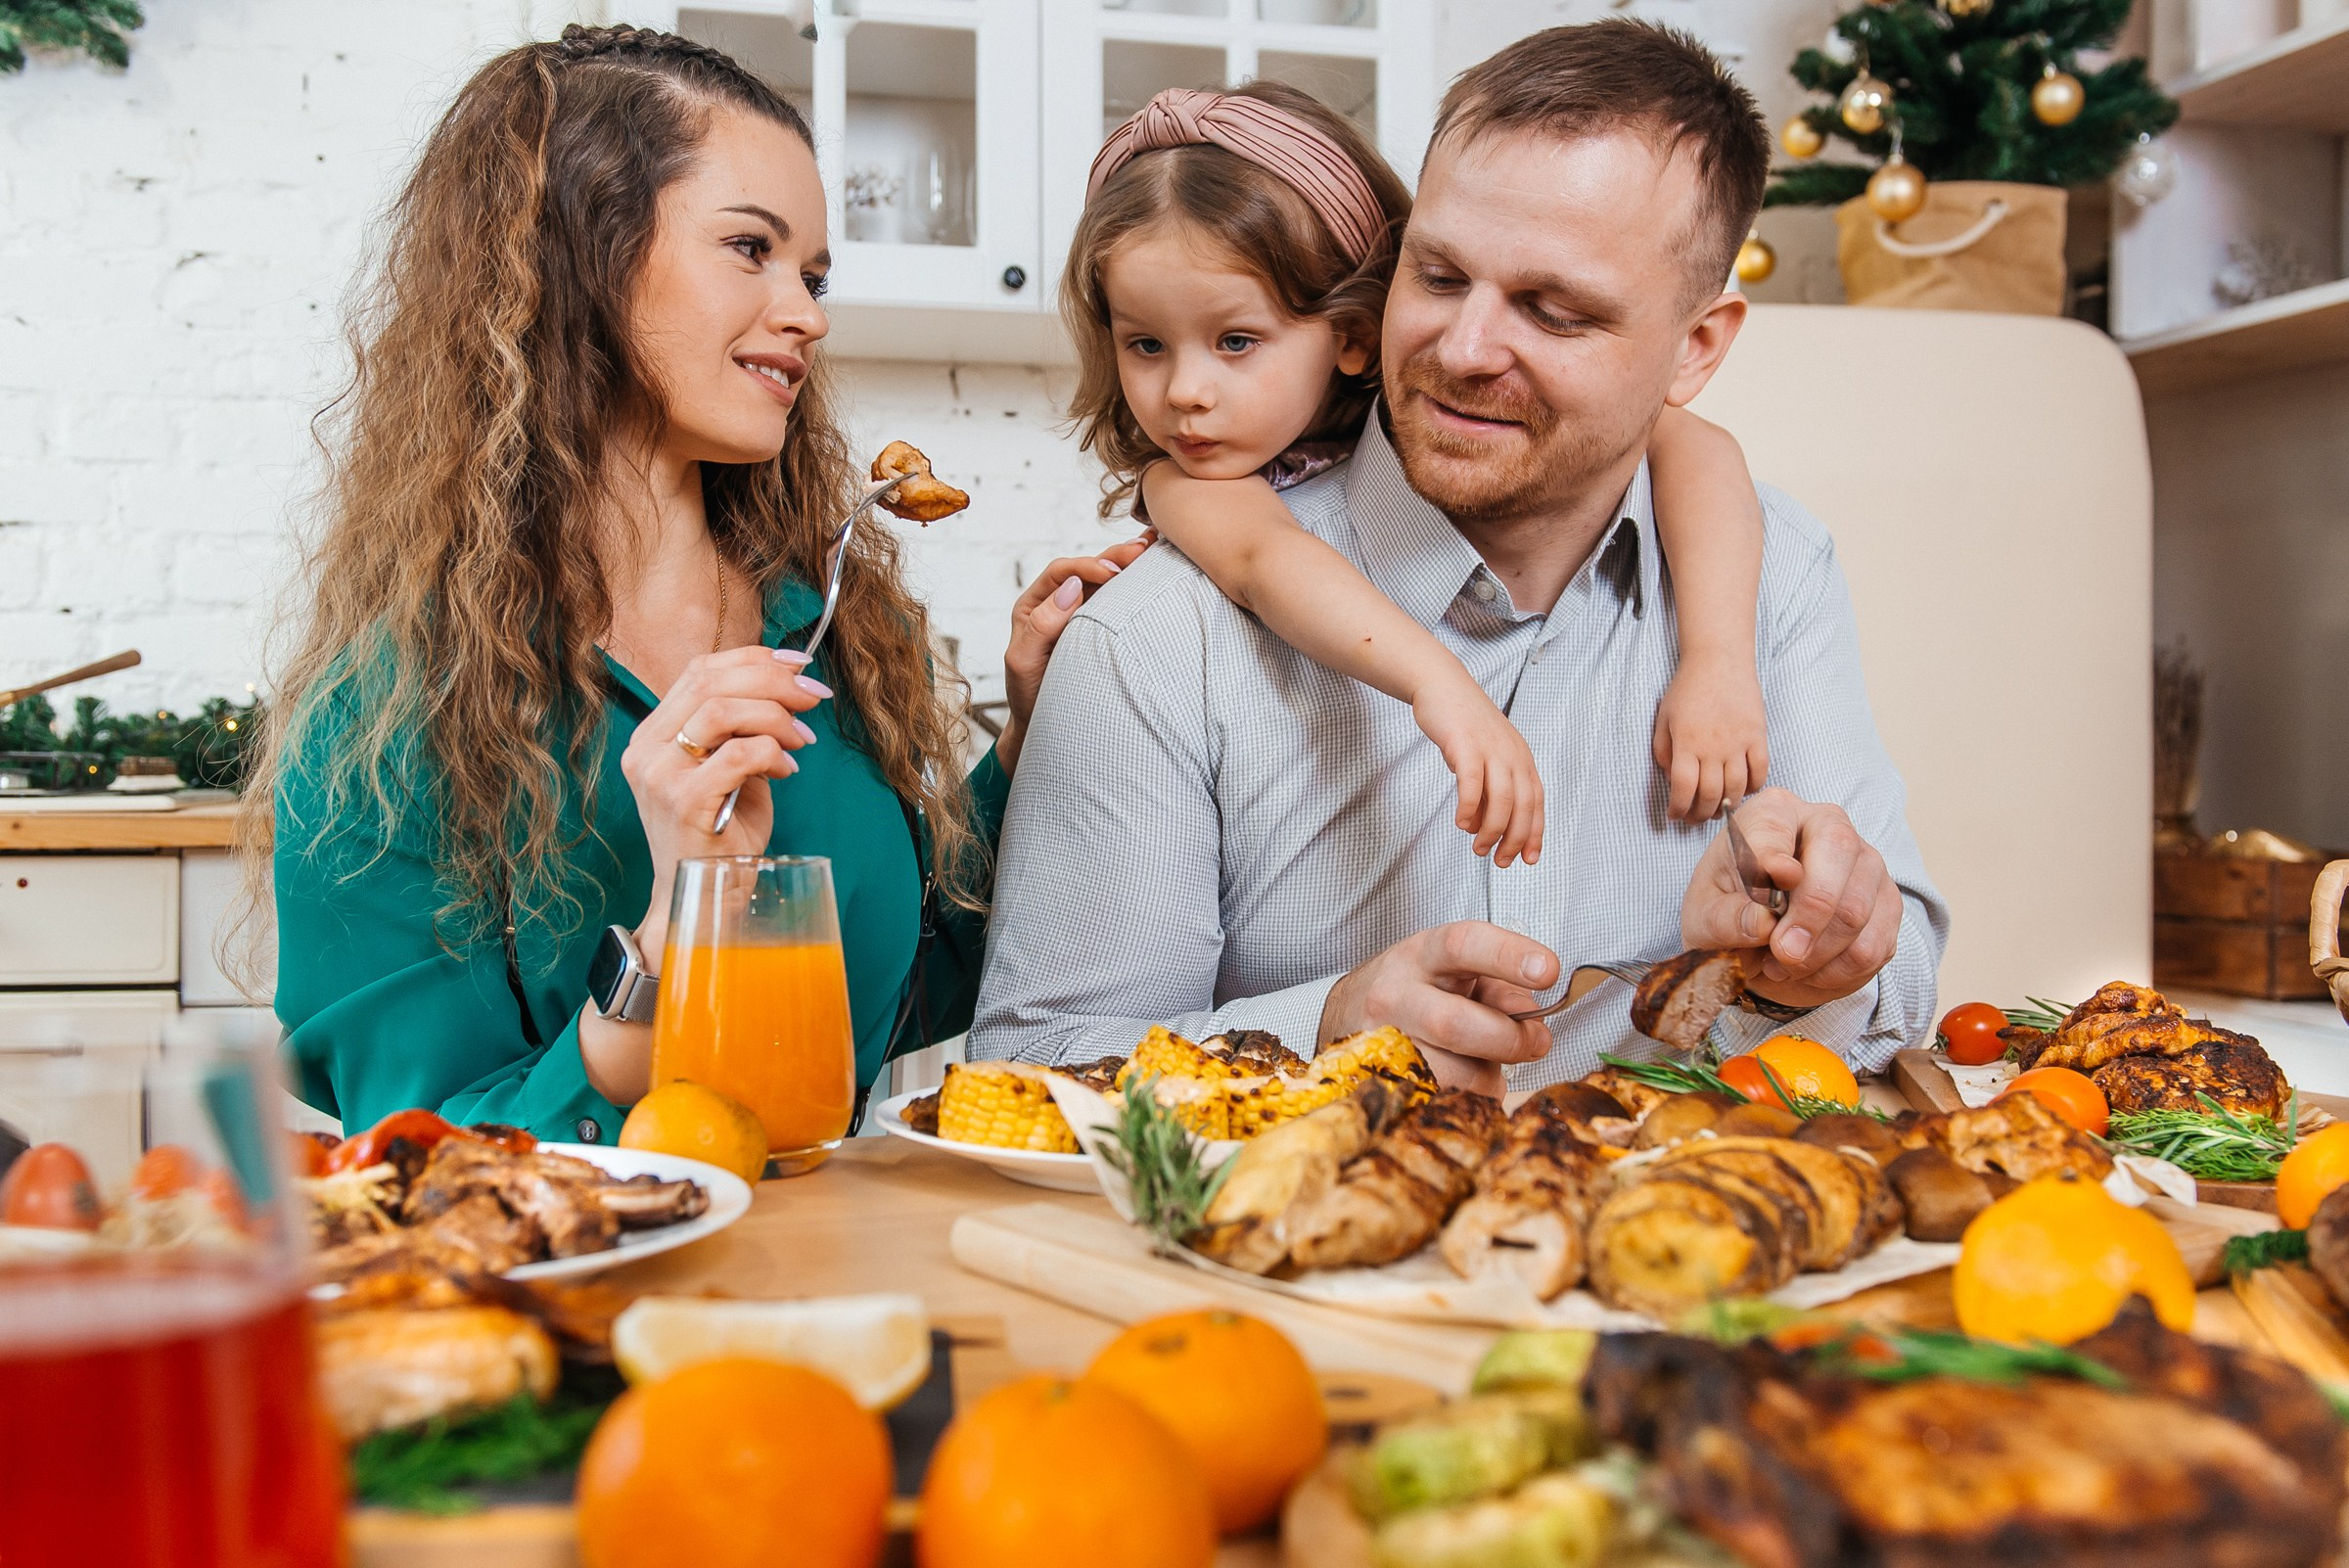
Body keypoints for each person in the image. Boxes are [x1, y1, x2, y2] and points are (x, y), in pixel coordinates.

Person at [974, 22, 1950, 1092]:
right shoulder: (1157, 633)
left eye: (1553, 309)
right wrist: (1327, 1026)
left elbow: (1898, 1009)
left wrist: (1801, 965)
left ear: (1697, 348)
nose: (1465, 349)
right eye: (1437, 278)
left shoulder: (1777, 573)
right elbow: (1035, 1074)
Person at [252, 25, 1140, 1142]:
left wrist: (1030, 745)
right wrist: (679, 927)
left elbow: (907, 989)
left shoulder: (832, 634)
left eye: (813, 274)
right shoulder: (384, 722)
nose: (807, 312)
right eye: (750, 249)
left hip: (843, 1268)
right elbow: (430, 1165)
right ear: (580, 251)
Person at [1066, 83, 1772, 867]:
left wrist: (1717, 662)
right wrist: (1440, 683)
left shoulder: (1437, 407)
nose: (1184, 393)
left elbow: (1699, 449)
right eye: (1145, 345)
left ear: (1355, 335)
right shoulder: (1188, 483)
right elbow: (1271, 562)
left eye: (1234, 342)